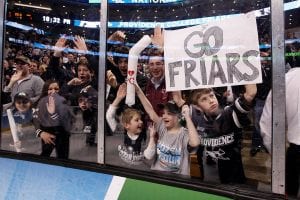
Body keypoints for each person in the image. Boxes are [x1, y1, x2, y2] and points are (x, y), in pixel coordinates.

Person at [184, 84, 257, 183]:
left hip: (233, 182)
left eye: (211, 95)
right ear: (197, 107)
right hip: (207, 180)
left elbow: (250, 94)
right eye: (204, 99)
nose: (211, 100)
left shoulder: (230, 113)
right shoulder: (196, 120)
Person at [135, 83, 200, 176]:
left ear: (179, 116)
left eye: (169, 113)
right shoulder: (162, 126)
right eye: (163, 113)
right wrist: (138, 90)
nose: (164, 116)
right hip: (157, 175)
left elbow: (195, 143)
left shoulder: (184, 134)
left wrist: (187, 117)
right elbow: (149, 110)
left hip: (176, 180)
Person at [260, 67, 300, 197]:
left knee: (290, 192)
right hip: (295, 151)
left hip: (296, 154)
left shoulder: (287, 80)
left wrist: (278, 156)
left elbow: (268, 126)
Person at [106, 83, 145, 165]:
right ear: (126, 124)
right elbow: (109, 116)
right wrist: (118, 98)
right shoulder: (120, 130)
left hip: (140, 170)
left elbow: (150, 111)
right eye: (137, 120)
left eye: (140, 119)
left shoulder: (144, 132)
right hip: (122, 168)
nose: (140, 122)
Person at [33, 80, 72, 159]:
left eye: (56, 89)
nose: (53, 91)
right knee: (45, 156)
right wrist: (40, 132)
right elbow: (34, 119)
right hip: (48, 134)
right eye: (50, 89)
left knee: (63, 158)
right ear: (45, 90)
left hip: (62, 135)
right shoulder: (40, 102)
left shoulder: (64, 101)